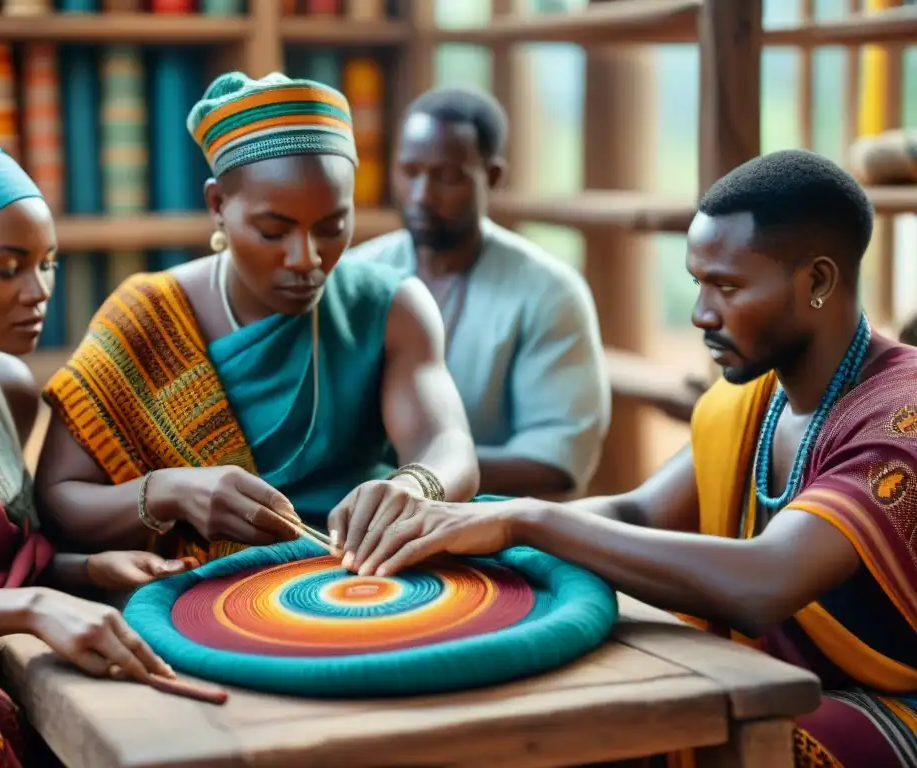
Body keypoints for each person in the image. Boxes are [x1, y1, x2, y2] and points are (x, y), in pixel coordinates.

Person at [331, 150, 917, 767]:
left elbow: (763, 582)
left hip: (885, 706)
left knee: (663, 737)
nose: (701, 314)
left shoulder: (899, 417)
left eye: (728, 286)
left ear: (819, 282)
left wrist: (527, 521)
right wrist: (470, 529)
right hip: (765, 677)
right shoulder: (762, 401)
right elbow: (637, 511)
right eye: (697, 283)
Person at [35, 72, 480, 568]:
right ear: (218, 206)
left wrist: (414, 486)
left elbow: (448, 445)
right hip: (200, 594)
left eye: (333, 227)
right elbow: (58, 501)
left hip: (363, 568)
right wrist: (171, 491)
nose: (306, 258)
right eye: (274, 230)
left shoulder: (390, 305)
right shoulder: (147, 318)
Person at [0, 128, 195, 767]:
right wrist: (33, 606)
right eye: (7, 268)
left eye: (47, 262)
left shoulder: (8, 385)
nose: (38, 291)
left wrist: (86, 570)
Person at [347, 86, 610, 500]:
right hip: (361, 516)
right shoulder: (356, 275)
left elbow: (556, 465)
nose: (421, 195)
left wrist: (413, 476)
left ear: (492, 177)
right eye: (409, 171)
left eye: (446, 176)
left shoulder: (548, 292)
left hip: (499, 527)